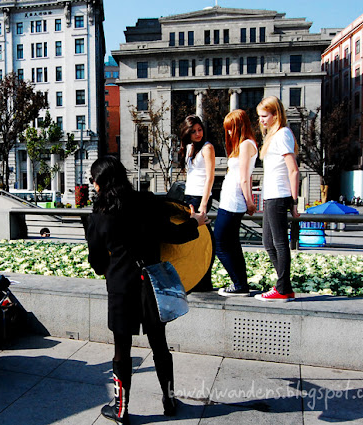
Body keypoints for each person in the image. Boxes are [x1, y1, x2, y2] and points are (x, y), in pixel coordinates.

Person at [86, 156, 208, 423]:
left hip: (121, 287)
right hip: (151, 282)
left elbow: (97, 261)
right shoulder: (148, 201)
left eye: (93, 179)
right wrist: (195, 222)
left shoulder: (98, 215)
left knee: (122, 349)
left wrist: (109, 268)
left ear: (101, 182)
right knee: (159, 344)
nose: (93, 184)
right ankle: (169, 400)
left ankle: (121, 410)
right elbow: (173, 235)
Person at [255, 96, 300, 302]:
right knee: (268, 242)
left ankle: (282, 288)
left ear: (276, 115)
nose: (261, 120)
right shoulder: (273, 136)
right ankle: (284, 286)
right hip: (271, 195)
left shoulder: (282, 134)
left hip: (279, 195)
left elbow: (294, 170)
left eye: (265, 116)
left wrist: (294, 202)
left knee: (279, 243)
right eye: (260, 116)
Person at [216, 110, 258, 297]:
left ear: (240, 126)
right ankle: (241, 284)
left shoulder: (246, 144)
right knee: (232, 244)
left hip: (233, 201)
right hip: (231, 200)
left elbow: (245, 177)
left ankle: (239, 284)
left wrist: (249, 201)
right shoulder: (245, 144)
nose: (229, 132)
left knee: (220, 244)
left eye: (231, 128)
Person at [179, 114, 215, 292]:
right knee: (193, 240)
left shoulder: (207, 148)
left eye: (200, 130)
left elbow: (210, 177)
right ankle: (195, 279)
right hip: (189, 196)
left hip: (201, 197)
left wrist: (204, 204)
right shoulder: (189, 148)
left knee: (205, 241)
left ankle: (205, 281)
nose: (198, 134)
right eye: (193, 131)